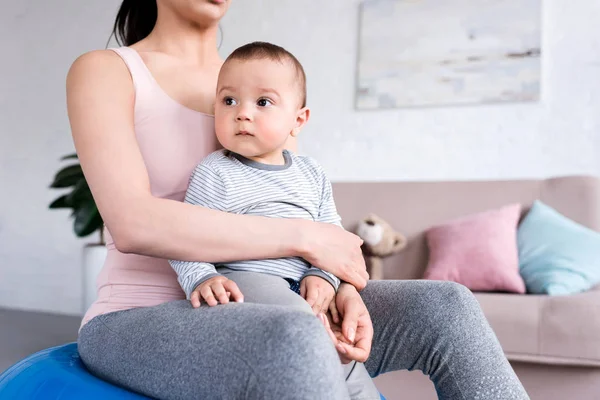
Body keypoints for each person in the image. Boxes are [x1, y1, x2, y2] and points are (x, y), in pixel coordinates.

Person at [68, 1, 530, 399]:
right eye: (227, 103)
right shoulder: (108, 70)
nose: (240, 112)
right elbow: (132, 223)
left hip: (285, 295)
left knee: (445, 307)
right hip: (139, 316)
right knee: (296, 332)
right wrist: (309, 239)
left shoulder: (262, 81)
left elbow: (300, 207)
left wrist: (339, 286)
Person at [168, 41, 381, 399]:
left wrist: (324, 275)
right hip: (248, 279)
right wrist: (201, 276)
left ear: (298, 120)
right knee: (308, 333)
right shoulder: (215, 172)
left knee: (345, 353)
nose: (242, 113)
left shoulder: (311, 173)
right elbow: (185, 236)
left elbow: (334, 239)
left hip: (305, 283)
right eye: (228, 101)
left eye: (262, 102)